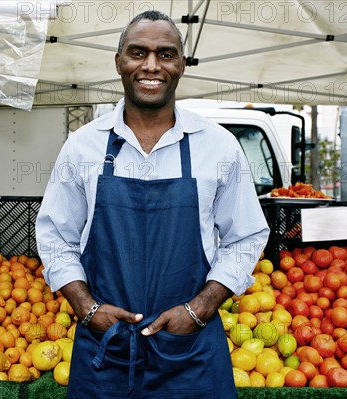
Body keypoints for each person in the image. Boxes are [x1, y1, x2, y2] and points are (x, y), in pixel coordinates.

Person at [36, 10, 269, 398]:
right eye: (137, 52)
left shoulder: (218, 146)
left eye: (165, 54)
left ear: (181, 64)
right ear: (118, 62)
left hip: (190, 355)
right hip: (106, 352)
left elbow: (246, 237)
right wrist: (87, 309)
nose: (151, 65)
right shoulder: (83, 145)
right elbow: (55, 236)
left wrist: (200, 309)